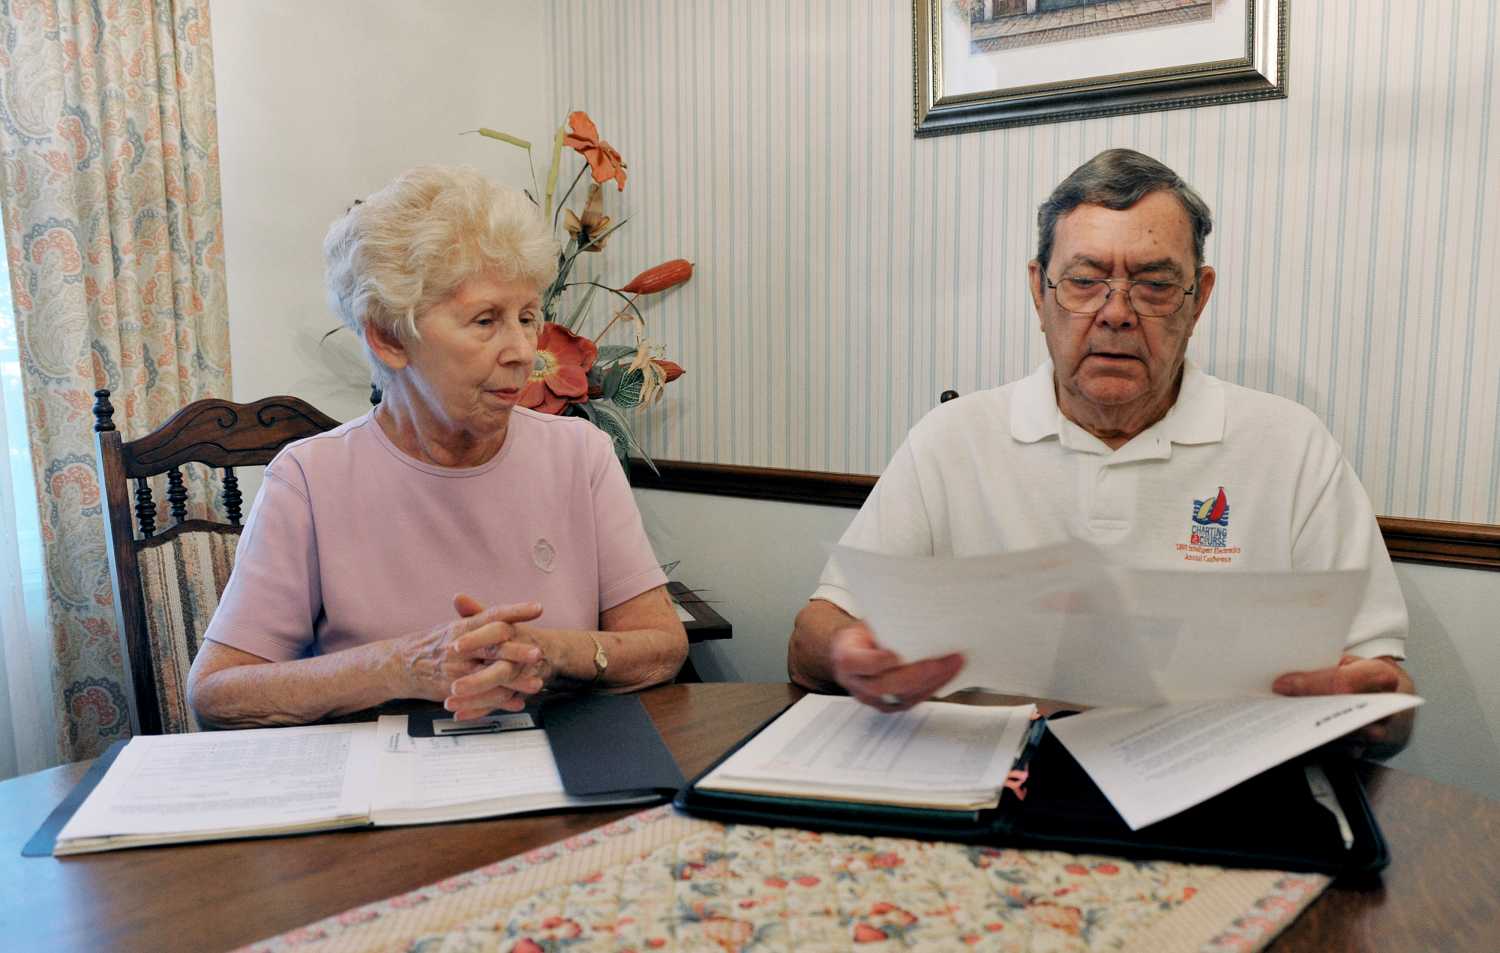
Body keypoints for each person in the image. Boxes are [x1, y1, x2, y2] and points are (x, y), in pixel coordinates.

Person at [787, 148, 1415, 756]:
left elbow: (1387, 691)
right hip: (990, 784)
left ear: (1199, 299)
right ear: (1039, 292)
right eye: (1085, 282)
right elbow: (813, 634)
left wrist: (1366, 709)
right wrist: (852, 654)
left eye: (1154, 285)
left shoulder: (1291, 445)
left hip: (1211, 788)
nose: (1116, 313)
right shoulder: (952, 437)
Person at [188, 165, 687, 727]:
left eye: (527, 316)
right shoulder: (309, 478)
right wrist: (404, 666)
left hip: (557, 775)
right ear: (388, 336)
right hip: (379, 794)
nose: (522, 349)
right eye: (485, 320)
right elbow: (216, 695)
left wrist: (549, 654)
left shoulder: (580, 454)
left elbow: (662, 646)